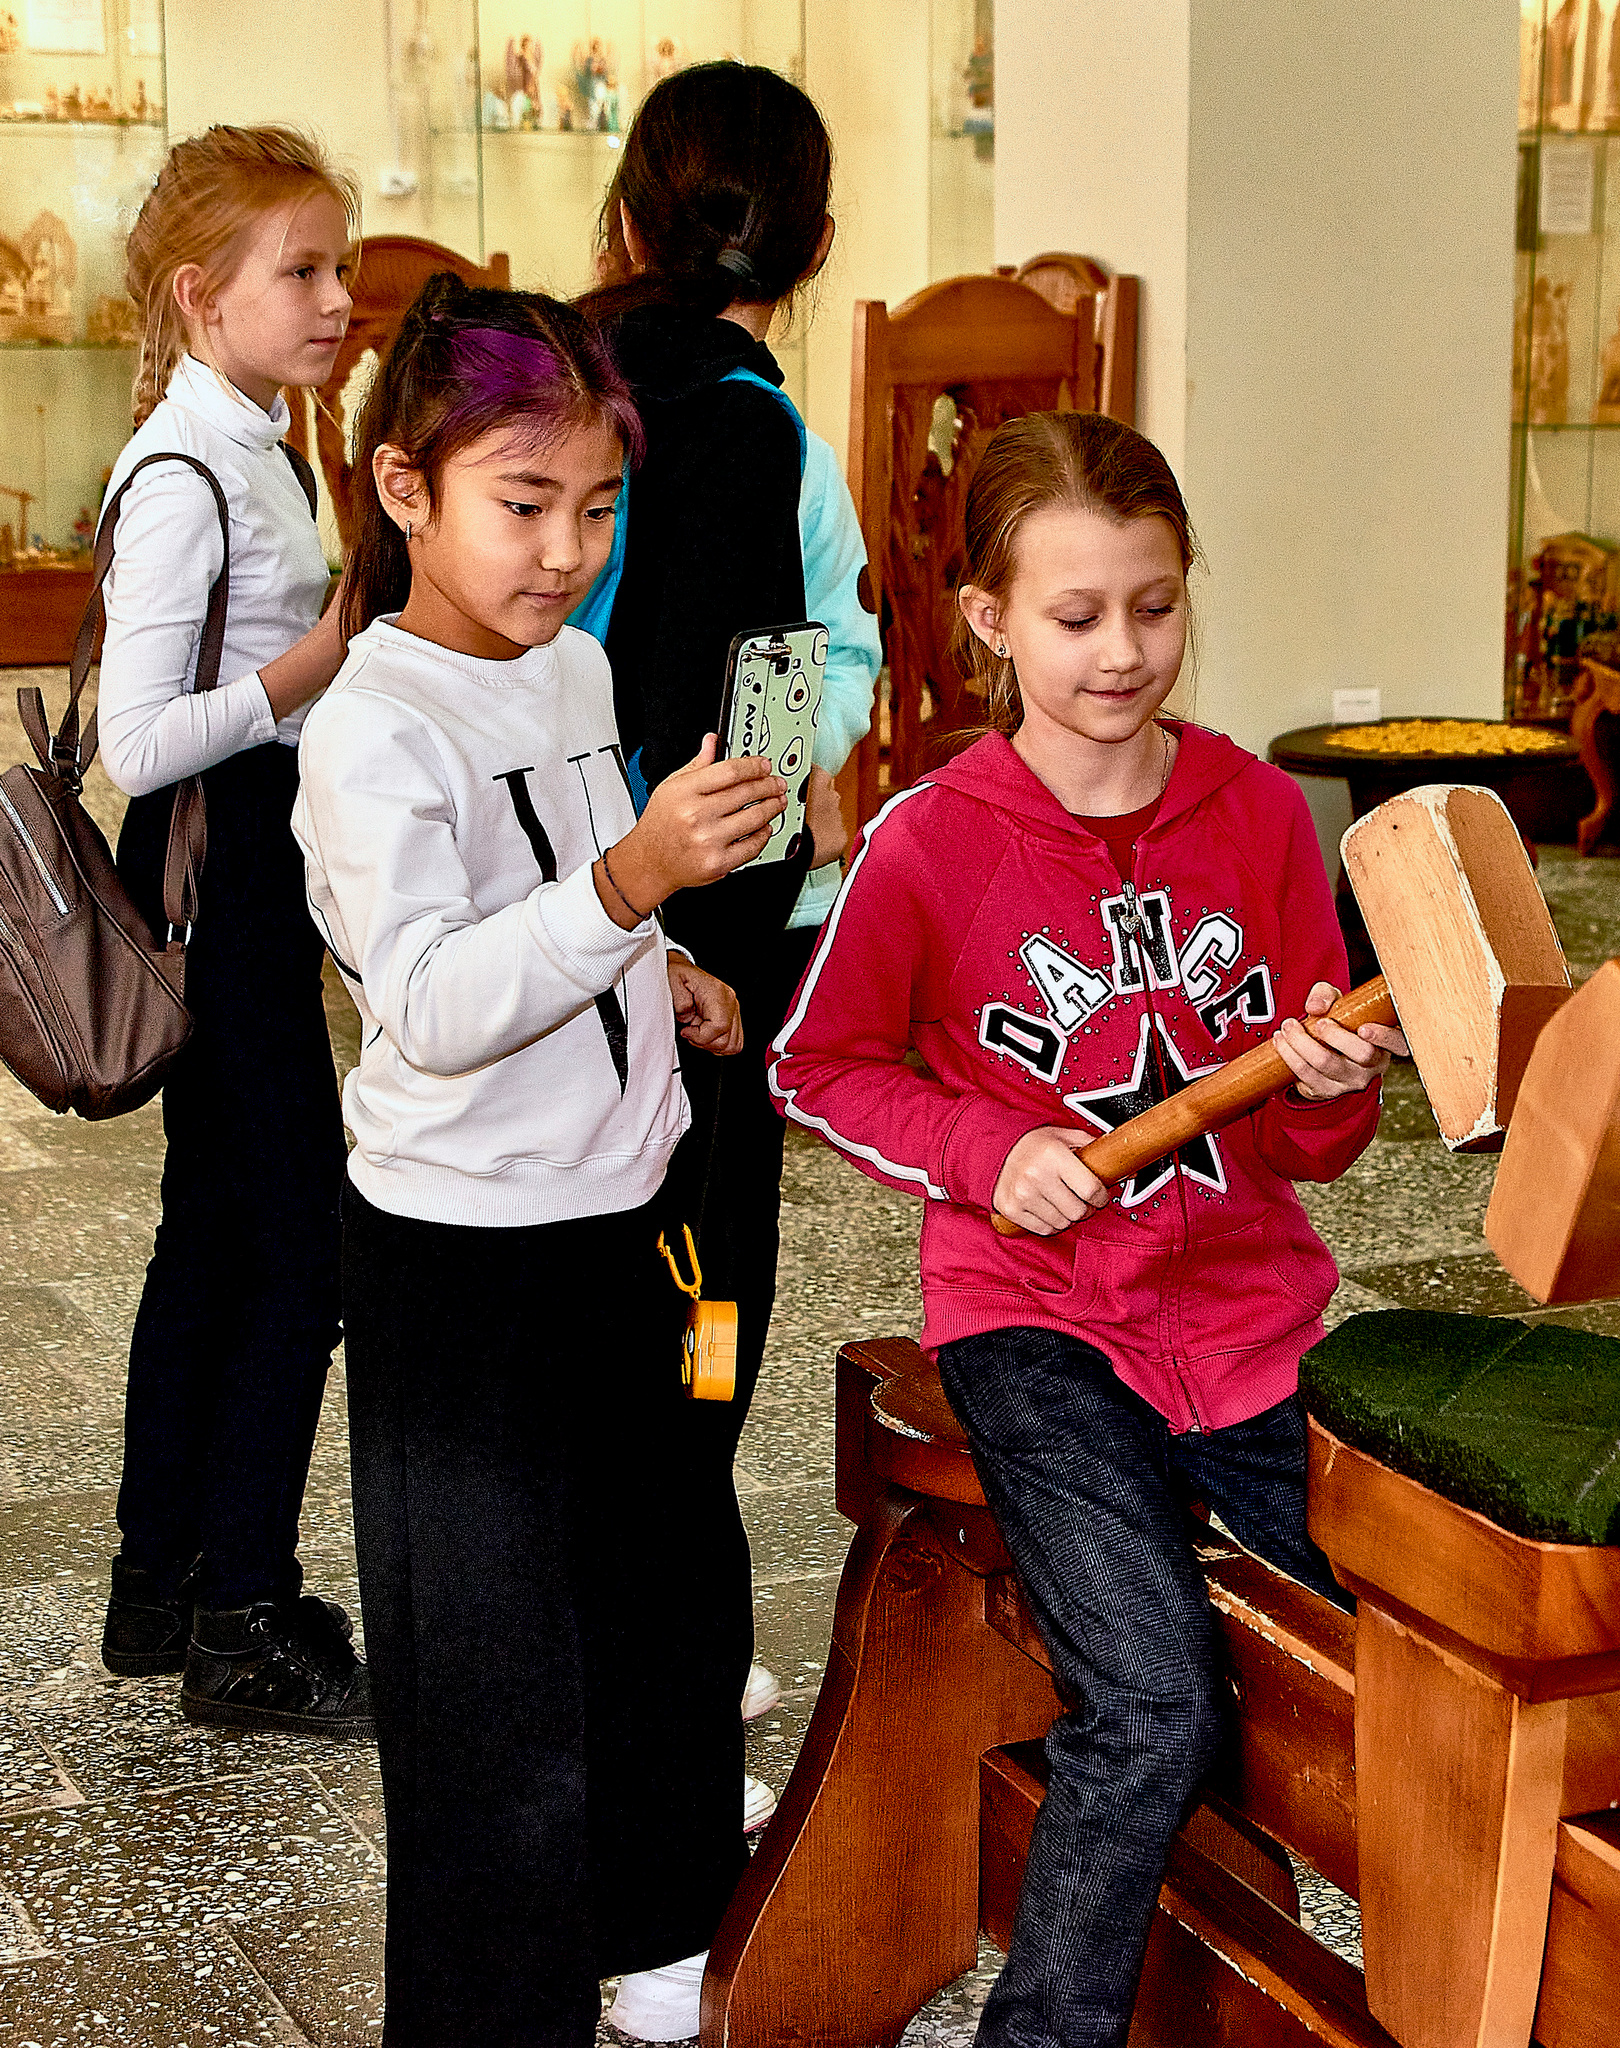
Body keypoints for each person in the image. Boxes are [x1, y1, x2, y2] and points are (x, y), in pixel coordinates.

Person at [768, 411, 1403, 2048]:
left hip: (1252, 1321)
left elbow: (1316, 1142)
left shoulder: (1265, 818)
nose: (1124, 651)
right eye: (1075, 615)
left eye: (1157, 605)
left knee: (1430, 1630)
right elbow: (817, 1064)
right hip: (1035, 1324)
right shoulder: (932, 840)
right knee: (1152, 1692)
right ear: (989, 618)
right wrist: (987, 1149)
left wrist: (1330, 1076)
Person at [292, 273, 787, 2047]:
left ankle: (664, 1931)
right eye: (523, 504)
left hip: (624, 1218)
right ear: (405, 491)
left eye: (596, 506)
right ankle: (494, 2009)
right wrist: (635, 888)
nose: (567, 549)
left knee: (657, 1598)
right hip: (465, 1260)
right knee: (487, 1674)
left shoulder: (572, 669)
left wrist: (668, 966)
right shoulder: (369, 726)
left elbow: (570, 899)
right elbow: (429, 997)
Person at [573, 58, 882, 1769]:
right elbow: (777, 694)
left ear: (630, 209)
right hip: (700, 936)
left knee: (588, 1269)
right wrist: (744, 950)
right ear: (817, 240)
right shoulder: (764, 428)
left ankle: (625, 1590)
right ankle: (671, 1619)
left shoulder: (555, 384)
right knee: (704, 1283)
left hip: (543, 905)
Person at [93, 125, 369, 1738]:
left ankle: (164, 1577)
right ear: (206, 298)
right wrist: (319, 659)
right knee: (299, 1247)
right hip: (221, 871)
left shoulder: (263, 432)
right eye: (304, 271)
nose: (338, 297)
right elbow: (142, 737)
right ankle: (242, 1614)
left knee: (213, 1232)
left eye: (339, 264)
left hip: (251, 864)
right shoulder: (190, 467)